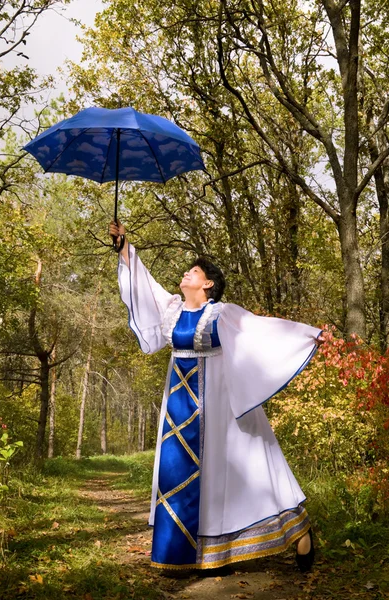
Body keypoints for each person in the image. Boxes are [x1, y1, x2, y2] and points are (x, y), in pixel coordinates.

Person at [109, 220, 323, 574]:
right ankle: (195, 554)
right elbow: (145, 288)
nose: (185, 274)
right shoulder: (173, 311)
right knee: (180, 472)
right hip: (178, 406)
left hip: (220, 407)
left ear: (207, 283)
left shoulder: (222, 314)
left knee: (242, 471)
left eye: (193, 271)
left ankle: (298, 530)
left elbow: (262, 330)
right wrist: (125, 248)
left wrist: (308, 335)